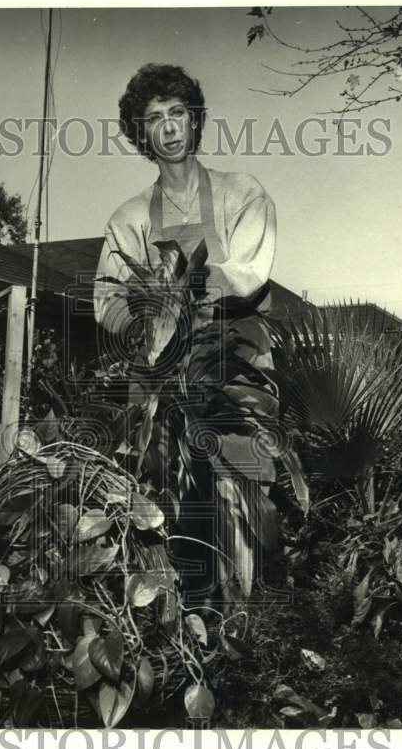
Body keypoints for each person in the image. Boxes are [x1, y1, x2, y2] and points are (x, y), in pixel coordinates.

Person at [93, 63, 280, 605]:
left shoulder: (240, 193)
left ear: (195, 121)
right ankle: (176, 627)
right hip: (161, 383)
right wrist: (148, 329)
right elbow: (106, 300)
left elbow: (249, 271)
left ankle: (245, 626)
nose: (170, 127)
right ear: (139, 133)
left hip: (233, 368)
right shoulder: (129, 218)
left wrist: (180, 296)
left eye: (178, 113)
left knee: (242, 492)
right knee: (167, 502)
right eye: (154, 118)